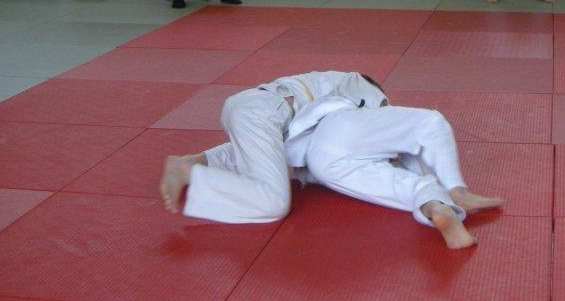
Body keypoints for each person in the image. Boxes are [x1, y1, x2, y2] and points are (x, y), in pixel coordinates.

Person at [160, 71, 389, 224]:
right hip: (263, 113)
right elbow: (367, 133)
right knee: (273, 202)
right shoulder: (370, 94)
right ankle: (192, 174)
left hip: (255, 110)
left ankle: (193, 162)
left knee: (273, 153)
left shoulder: (342, 89)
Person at [306, 104, 504, 249]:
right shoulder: (356, 95)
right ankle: (457, 191)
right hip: (335, 127)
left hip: (320, 167)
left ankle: (437, 208)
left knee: (416, 186)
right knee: (431, 123)